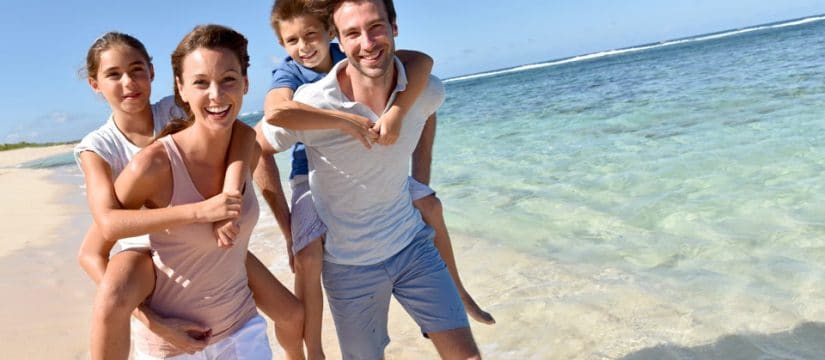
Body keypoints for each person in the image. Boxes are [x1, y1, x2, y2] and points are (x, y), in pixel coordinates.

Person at [255, 1, 493, 357]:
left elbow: (426, 101)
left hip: (413, 247)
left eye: (376, 27)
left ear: (394, 26)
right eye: (352, 33)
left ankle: (458, 289)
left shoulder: (425, 87)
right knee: (307, 258)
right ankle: (310, 351)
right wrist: (287, 226)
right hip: (350, 268)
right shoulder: (309, 100)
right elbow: (257, 144)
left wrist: (418, 180)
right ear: (340, 37)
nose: (366, 42)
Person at [75, 30, 304, 359]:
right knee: (112, 296)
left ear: (153, 72)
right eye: (113, 74)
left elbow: (239, 130)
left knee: (292, 312)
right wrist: (150, 319)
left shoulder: (176, 109)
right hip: (141, 248)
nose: (129, 82)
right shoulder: (99, 147)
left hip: (206, 233)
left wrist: (229, 198)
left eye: (137, 69)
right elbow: (104, 230)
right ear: (95, 84)